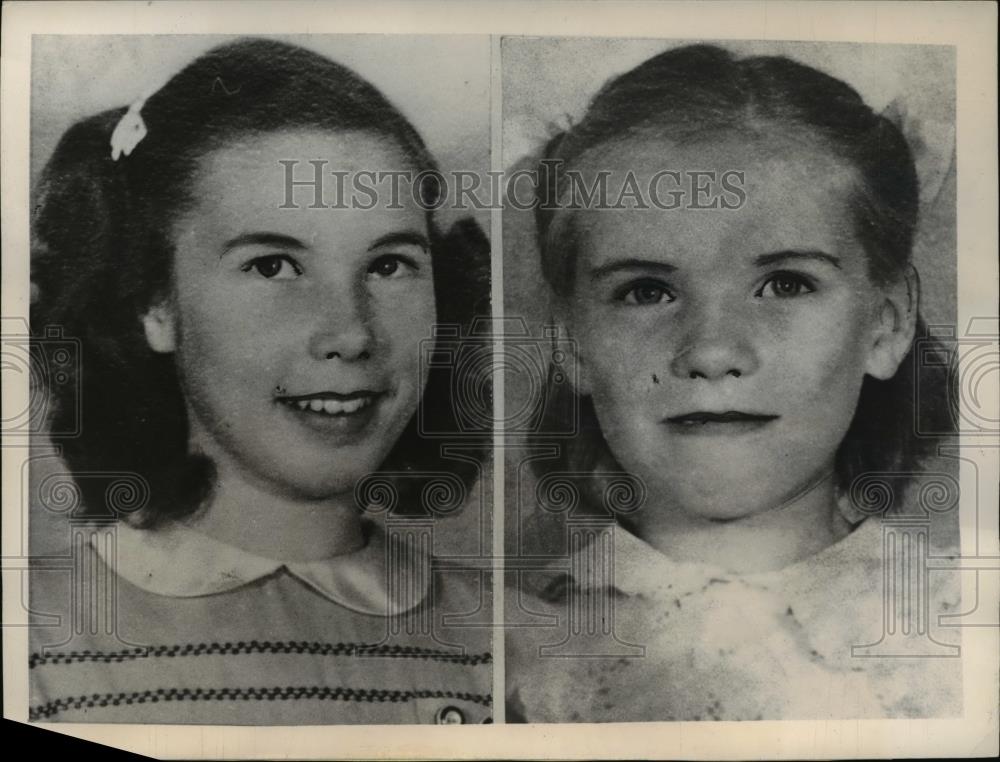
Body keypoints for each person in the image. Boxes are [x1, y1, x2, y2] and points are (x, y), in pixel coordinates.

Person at [29, 37, 492, 725]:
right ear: (154, 304)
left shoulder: (514, 637)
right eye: (273, 266)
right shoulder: (32, 642)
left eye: (390, 265)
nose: (351, 333)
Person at [505, 43, 961, 722]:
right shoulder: (510, 649)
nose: (712, 352)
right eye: (647, 291)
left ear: (885, 325)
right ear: (571, 341)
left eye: (785, 284)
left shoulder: (962, 629)